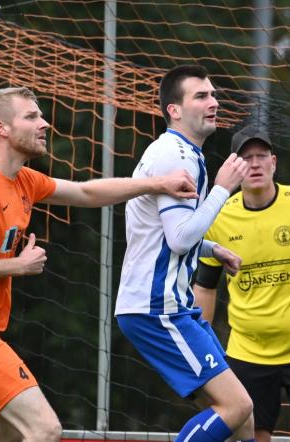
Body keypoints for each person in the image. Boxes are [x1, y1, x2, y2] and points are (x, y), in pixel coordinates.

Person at [0, 86, 197, 442]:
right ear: (1, 128)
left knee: (8, 438)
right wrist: (19, 266)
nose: (44, 123)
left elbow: (86, 192)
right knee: (45, 429)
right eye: (31, 117)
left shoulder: (24, 180)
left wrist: (158, 183)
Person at [114, 64, 255, 442]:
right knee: (237, 407)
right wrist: (223, 189)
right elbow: (178, 239)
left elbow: (163, 235)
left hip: (170, 306)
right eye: (201, 96)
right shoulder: (175, 157)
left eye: (213, 94)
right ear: (174, 110)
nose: (214, 102)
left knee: (244, 422)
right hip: (157, 308)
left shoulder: (182, 153)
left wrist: (212, 248)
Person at [194, 124, 290, 442]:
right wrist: (202, 346)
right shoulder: (218, 216)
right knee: (253, 434)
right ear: (233, 167)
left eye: (261, 156)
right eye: (245, 158)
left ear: (274, 162)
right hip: (248, 351)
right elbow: (205, 286)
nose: (254, 164)